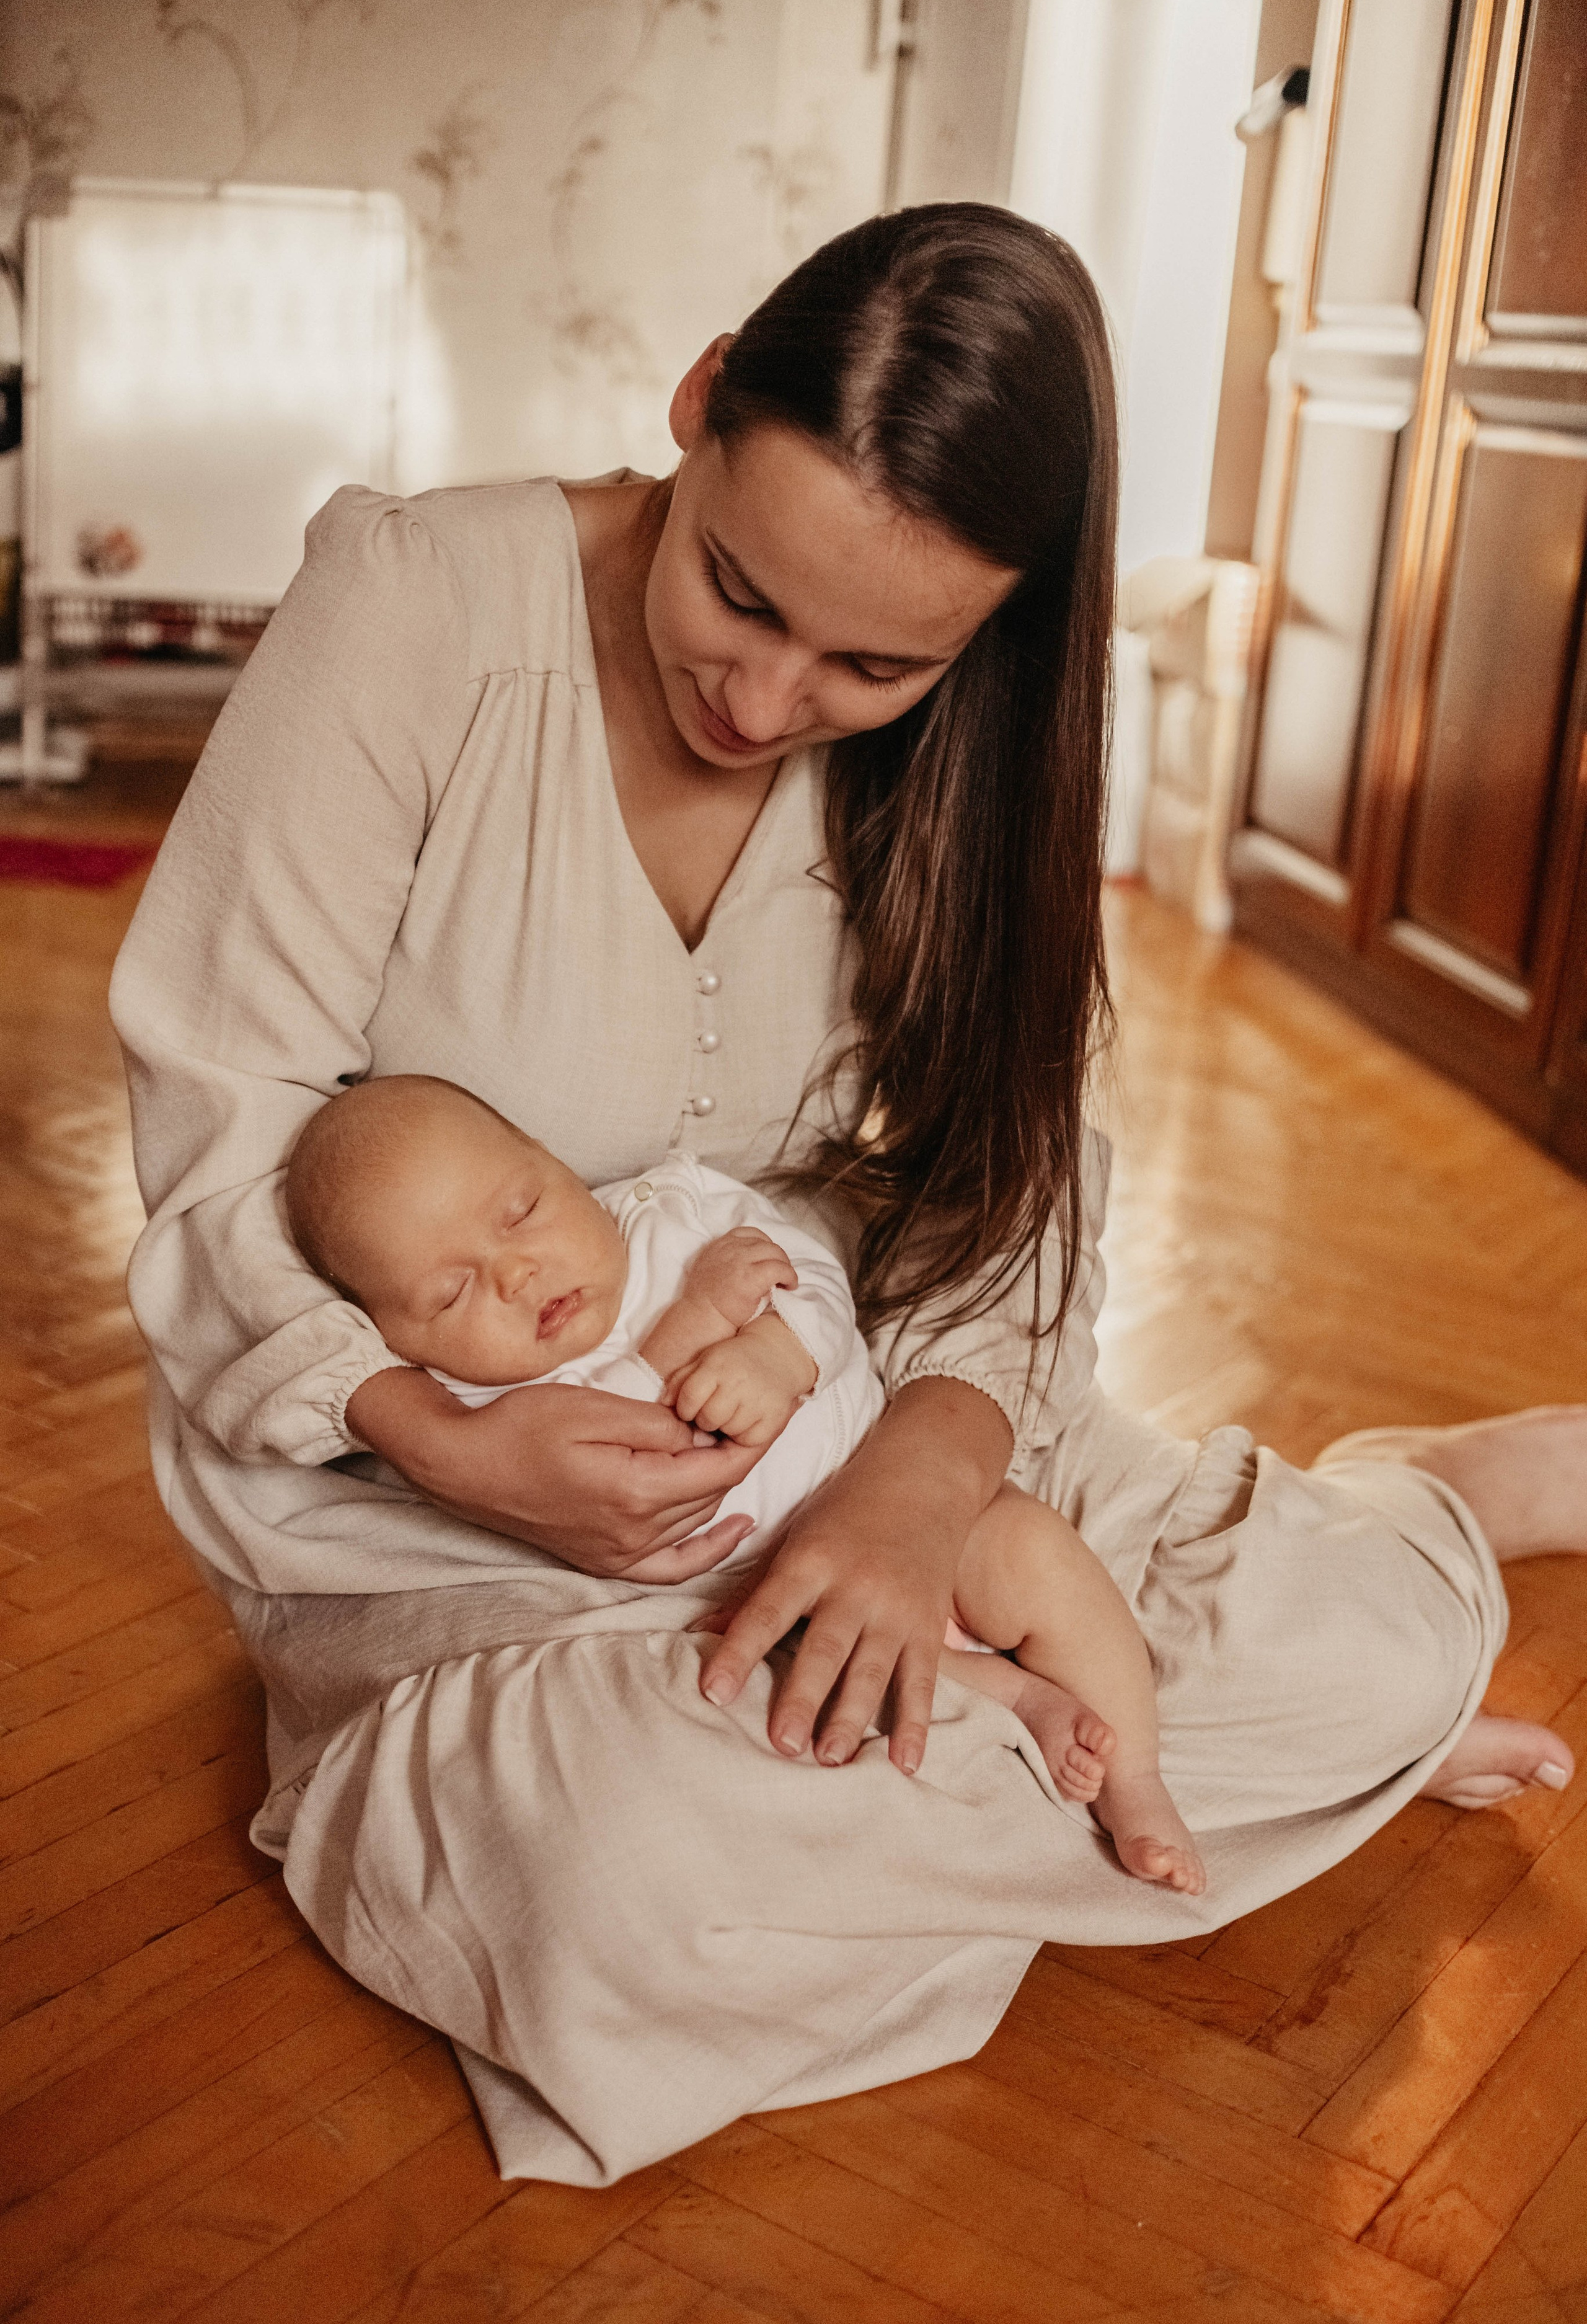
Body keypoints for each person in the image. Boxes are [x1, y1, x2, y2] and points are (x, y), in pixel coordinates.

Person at [110, 203, 1581, 2187]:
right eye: (739, 588)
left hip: (867, 1426)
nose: (766, 695)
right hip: (457, 1550)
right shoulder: (417, 602)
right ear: (703, 400)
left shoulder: (977, 750)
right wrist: (441, 1436)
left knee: (1375, 1655)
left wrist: (917, 1488)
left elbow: (1016, 1191)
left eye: (874, 661)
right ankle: (1141, 1768)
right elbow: (221, 1124)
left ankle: (1399, 1529)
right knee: (629, 1871)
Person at [285, 1071, 1205, 1889]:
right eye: (451, 1294)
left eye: (522, 1210)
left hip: (892, 1492)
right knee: (810, 1685)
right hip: (746, 1594)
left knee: (1037, 1554)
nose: (516, 1272)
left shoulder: (670, 1213)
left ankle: (1137, 1780)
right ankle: (1018, 1698)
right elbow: (622, 1457)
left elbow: (803, 1271)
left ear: (556, 1160)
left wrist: (779, 1348)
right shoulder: (484, 1401)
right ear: (395, 1339)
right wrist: (679, 1337)